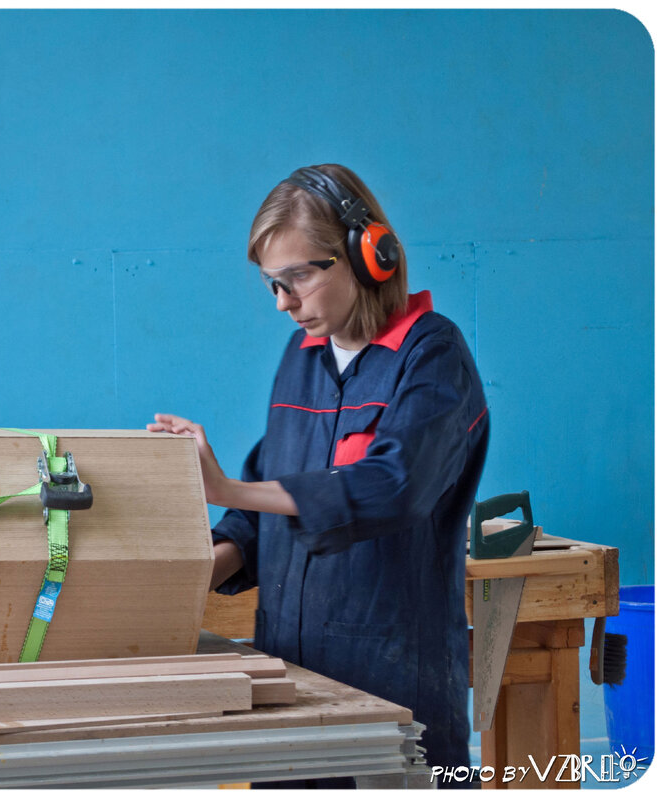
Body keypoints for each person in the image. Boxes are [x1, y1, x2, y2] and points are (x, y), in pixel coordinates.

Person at [149, 164, 488, 785]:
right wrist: (184, 577)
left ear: (368, 256)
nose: (283, 303)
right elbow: (262, 506)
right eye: (271, 285)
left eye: (298, 277)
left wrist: (223, 487)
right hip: (293, 679)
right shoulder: (302, 357)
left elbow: (393, 488)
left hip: (394, 684)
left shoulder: (431, 355)